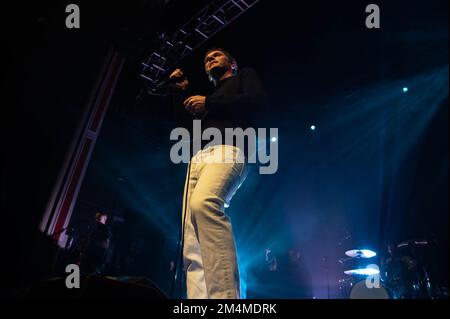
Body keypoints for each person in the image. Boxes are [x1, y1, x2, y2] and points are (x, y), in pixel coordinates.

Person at [168, 48, 267, 299]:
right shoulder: (208, 98)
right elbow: (188, 129)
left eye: (216, 55)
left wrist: (208, 102)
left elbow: (257, 98)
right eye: (206, 59)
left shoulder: (243, 76)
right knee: (191, 234)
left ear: (232, 63)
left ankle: (225, 299)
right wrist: (181, 92)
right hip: (199, 157)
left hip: (230, 150)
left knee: (205, 204)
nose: (210, 58)